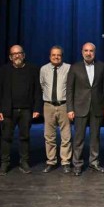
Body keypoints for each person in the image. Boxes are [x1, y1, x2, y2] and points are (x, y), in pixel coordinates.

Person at [0, 44, 42, 175]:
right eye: (14, 54)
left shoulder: (32, 69)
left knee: (25, 137)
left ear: (23, 55)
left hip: (26, 110)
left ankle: (24, 162)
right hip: (8, 110)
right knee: (6, 137)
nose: (17, 56)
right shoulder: (4, 70)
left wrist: (37, 108)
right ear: (10, 57)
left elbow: (37, 90)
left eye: (19, 53)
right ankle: (4, 163)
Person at [67, 42, 104, 176]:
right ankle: (77, 164)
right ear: (82, 52)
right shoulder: (75, 67)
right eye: (86, 50)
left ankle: (94, 162)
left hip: (97, 107)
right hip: (80, 107)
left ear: (94, 53)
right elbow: (69, 89)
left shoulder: (102, 66)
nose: (88, 53)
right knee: (78, 138)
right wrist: (70, 108)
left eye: (91, 51)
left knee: (95, 137)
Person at [39, 46, 72, 174]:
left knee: (66, 135)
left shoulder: (68, 68)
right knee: (49, 136)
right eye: (53, 55)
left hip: (64, 105)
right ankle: (51, 161)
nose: (56, 57)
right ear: (50, 56)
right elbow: (42, 85)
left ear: (62, 56)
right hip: (48, 105)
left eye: (58, 55)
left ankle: (65, 162)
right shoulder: (44, 69)